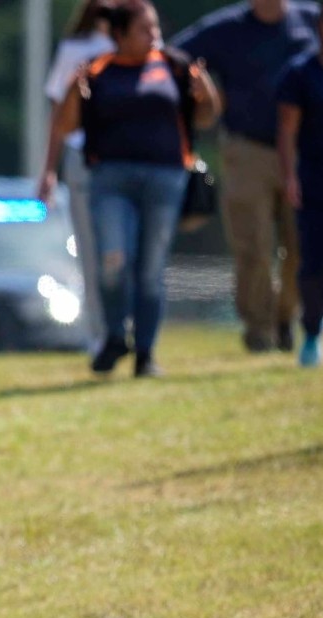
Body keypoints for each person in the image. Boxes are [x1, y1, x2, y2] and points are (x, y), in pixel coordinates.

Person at [40, 0, 222, 377]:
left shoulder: (173, 66)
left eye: (155, 28)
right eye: (144, 30)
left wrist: (205, 93)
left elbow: (205, 117)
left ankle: (145, 352)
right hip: (110, 179)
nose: (154, 36)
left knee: (151, 267)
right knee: (113, 262)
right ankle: (112, 335)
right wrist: (76, 92)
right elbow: (66, 126)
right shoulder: (97, 71)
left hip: (164, 178)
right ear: (119, 35)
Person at [173, 0, 320, 354]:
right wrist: (205, 90)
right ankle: (259, 328)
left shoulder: (315, 20)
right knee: (252, 245)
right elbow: (174, 55)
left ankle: (286, 315)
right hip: (246, 149)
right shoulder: (227, 27)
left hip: (306, 150)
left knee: (302, 245)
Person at [38, 1, 117, 344]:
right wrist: (48, 170)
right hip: (84, 155)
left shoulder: (144, 48)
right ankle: (101, 331)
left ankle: (127, 322)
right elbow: (58, 112)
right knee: (90, 248)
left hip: (129, 156)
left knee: (126, 249)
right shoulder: (75, 50)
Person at [278, 0, 323, 367]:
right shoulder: (301, 73)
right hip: (316, 181)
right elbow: (287, 130)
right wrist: (289, 175)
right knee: (314, 267)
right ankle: (312, 328)